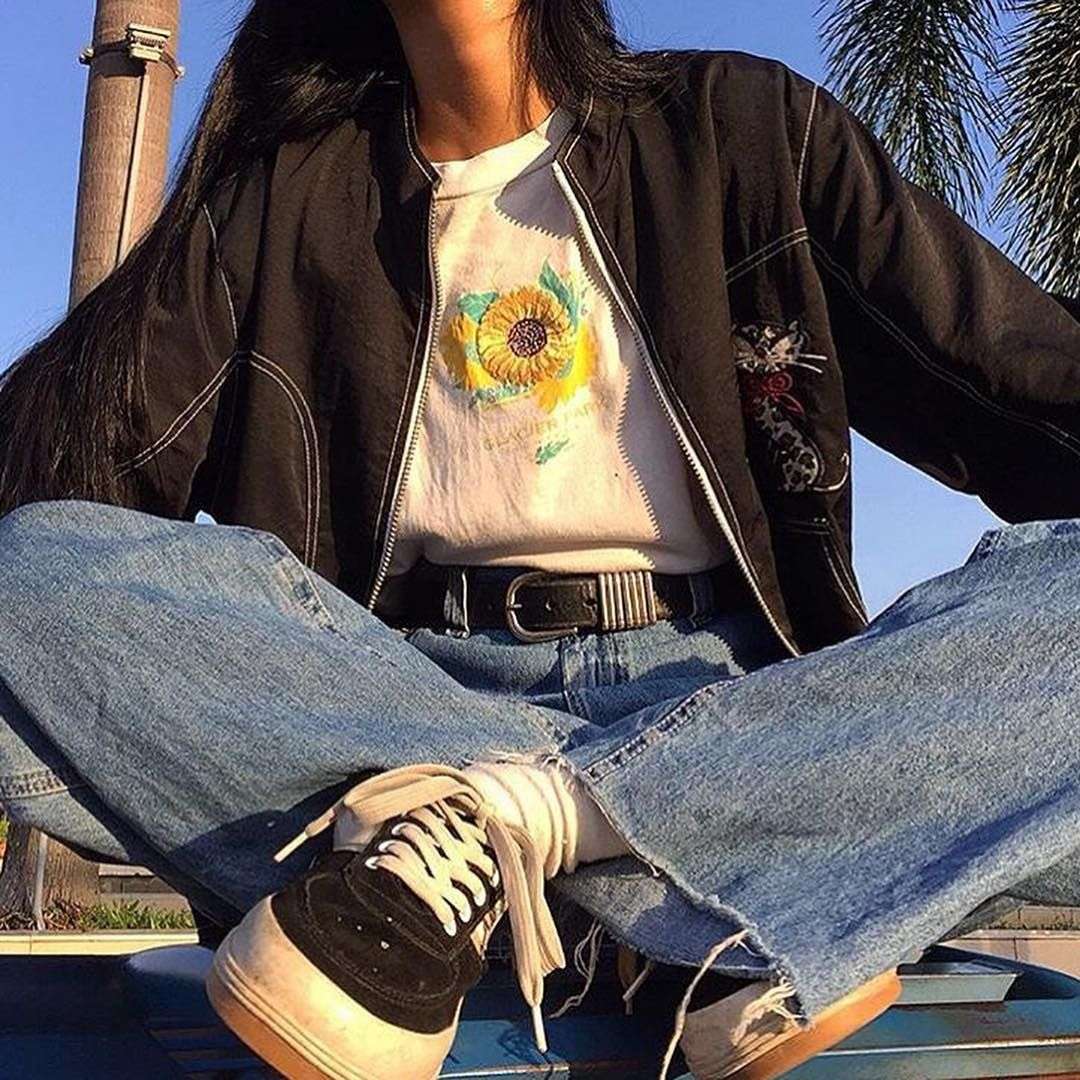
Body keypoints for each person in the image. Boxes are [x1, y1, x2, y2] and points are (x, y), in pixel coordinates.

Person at [2, 1, 1080, 1077]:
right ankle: (683, 886)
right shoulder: (286, 195)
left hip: (735, 705)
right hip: (388, 711)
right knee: (27, 579)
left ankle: (521, 835)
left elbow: (1016, 375)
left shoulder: (742, 126)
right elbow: (68, 490)